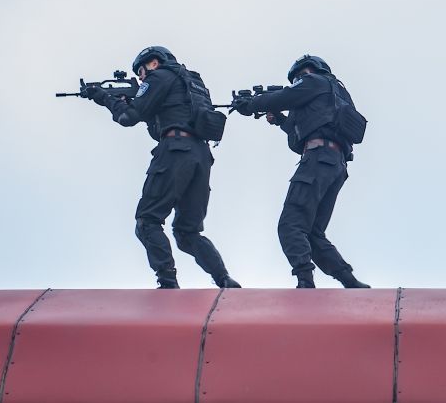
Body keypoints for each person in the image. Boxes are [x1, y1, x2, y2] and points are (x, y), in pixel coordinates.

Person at [88, 45, 240, 289]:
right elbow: (165, 118)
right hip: (201, 156)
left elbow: (128, 117)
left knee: (147, 220)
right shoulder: (192, 83)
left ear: (154, 62)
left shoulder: (159, 76)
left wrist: (107, 99)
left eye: (141, 71)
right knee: (188, 233)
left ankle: (168, 282)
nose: (141, 78)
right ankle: (224, 279)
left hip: (175, 151)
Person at [232, 54, 369, 289]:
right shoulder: (335, 94)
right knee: (313, 232)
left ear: (310, 70)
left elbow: (283, 97)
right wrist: (280, 121)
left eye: (298, 77)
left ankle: (305, 281)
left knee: (291, 224)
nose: (297, 81)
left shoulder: (314, 81)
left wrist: (251, 104)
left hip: (317, 159)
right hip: (334, 164)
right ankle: (350, 281)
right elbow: (302, 135)